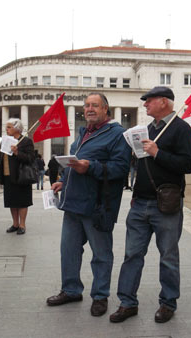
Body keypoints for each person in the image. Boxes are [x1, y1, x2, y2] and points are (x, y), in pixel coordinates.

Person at [110, 86, 191, 324]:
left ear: (165, 102)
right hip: (140, 203)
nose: (145, 104)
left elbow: (188, 164)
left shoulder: (181, 128)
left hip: (166, 205)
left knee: (168, 256)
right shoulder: (144, 130)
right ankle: (127, 303)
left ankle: (168, 303)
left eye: (149, 101)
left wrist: (158, 153)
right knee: (131, 255)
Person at [46, 93, 131, 317]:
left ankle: (100, 295)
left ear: (106, 110)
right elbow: (74, 162)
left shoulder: (118, 135)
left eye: (95, 105)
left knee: (101, 254)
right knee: (69, 250)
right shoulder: (83, 133)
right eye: (86, 106)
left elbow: (120, 170)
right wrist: (63, 181)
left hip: (97, 206)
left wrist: (90, 167)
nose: (89, 109)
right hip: (73, 204)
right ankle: (71, 290)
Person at [0, 118, 35, 235]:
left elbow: (30, 159)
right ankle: (15, 223)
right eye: (6, 127)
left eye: (9, 127)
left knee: (22, 201)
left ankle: (22, 224)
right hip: (8, 175)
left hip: (21, 176)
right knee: (11, 201)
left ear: (17, 128)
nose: (6, 129)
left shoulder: (26, 141)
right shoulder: (5, 141)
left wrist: (17, 153)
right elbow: (1, 159)